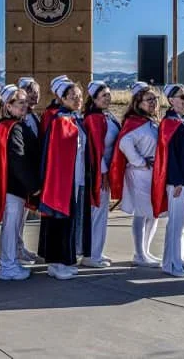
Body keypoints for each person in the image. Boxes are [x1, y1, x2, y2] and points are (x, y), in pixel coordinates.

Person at [0, 85, 41, 281]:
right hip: (13, 187)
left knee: (12, 226)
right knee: (11, 226)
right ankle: (8, 265)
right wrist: (33, 186)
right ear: (8, 105)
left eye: (25, 102)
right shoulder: (12, 128)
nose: (24, 106)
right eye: (20, 103)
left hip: (13, 186)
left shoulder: (8, 126)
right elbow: (18, 159)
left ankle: (11, 262)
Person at [38, 79, 90, 280]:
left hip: (75, 178)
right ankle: (56, 263)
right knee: (59, 221)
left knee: (68, 221)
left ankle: (65, 260)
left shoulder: (74, 119)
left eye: (79, 96)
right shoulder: (59, 121)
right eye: (73, 97)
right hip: (62, 180)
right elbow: (55, 156)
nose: (78, 100)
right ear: (62, 98)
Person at [152, 84, 184, 278]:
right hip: (178, 182)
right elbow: (169, 155)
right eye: (182, 97)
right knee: (175, 223)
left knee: (182, 222)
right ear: (171, 101)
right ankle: (170, 263)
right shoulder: (169, 123)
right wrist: (177, 180)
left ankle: (180, 257)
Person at [110, 82, 162, 268]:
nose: (153, 103)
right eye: (149, 100)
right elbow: (124, 143)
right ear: (138, 103)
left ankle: (146, 251)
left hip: (152, 173)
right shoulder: (133, 122)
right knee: (141, 214)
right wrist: (140, 162)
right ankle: (139, 254)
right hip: (140, 174)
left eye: (155, 99)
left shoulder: (151, 122)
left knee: (152, 213)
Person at [80, 80, 121, 268]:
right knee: (96, 213)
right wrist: (103, 172)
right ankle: (91, 255)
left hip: (106, 172)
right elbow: (96, 149)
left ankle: (97, 251)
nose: (108, 98)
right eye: (103, 95)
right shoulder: (93, 119)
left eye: (108, 94)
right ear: (94, 98)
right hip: (96, 173)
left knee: (102, 213)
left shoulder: (108, 116)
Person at [15, 76, 43, 264]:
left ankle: (20, 246)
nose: (35, 96)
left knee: (23, 216)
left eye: (37, 92)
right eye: (30, 92)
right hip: (21, 177)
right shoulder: (21, 118)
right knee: (16, 217)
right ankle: (15, 250)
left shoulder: (34, 116)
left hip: (32, 173)